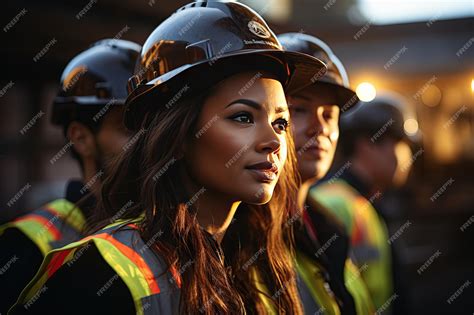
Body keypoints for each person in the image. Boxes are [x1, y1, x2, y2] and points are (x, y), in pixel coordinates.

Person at [10, 2, 327, 314]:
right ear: (178, 134)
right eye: (243, 117)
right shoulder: (100, 276)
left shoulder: (263, 268)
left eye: (280, 123)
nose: (273, 141)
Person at [0, 39, 140, 314]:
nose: (148, 141)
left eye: (153, 125)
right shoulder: (25, 247)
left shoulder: (168, 228)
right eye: (129, 126)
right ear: (81, 138)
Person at [279, 33, 375, 315]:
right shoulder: (240, 238)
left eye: (329, 115)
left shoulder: (327, 228)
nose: (319, 128)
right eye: (298, 109)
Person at [311, 92, 416, 313]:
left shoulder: (365, 202)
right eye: (400, 143)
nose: (408, 156)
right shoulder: (334, 203)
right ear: (367, 144)